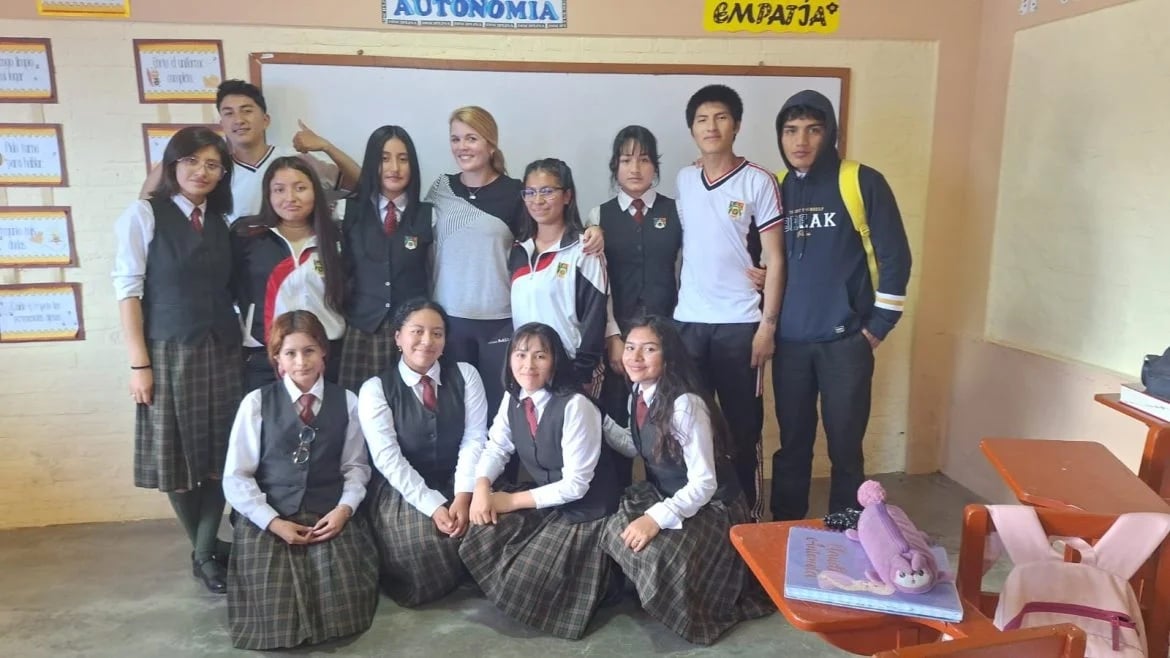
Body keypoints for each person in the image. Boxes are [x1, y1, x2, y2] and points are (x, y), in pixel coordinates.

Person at [769, 90, 912, 521]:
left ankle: (850, 531)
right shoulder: (775, 187)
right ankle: (784, 529)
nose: (801, 141)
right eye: (790, 130)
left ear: (830, 132)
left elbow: (896, 257)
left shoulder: (861, 181)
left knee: (846, 448)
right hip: (790, 344)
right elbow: (763, 256)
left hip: (846, 342)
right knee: (792, 445)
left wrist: (878, 327)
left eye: (813, 130)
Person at [113, 126, 241, 594]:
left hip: (222, 350)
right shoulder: (144, 215)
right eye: (191, 161)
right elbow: (128, 292)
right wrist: (139, 364)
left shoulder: (222, 222)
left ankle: (204, 550)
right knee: (176, 460)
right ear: (172, 165)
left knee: (224, 455)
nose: (201, 171)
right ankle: (206, 552)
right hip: (168, 352)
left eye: (212, 164)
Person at [599, 315, 773, 644]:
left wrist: (655, 518)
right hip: (671, 495)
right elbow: (637, 444)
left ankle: (696, 605)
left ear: (669, 356)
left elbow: (705, 484)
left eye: (649, 349)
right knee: (614, 524)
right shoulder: (638, 392)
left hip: (714, 507)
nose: (635, 357)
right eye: (630, 347)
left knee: (656, 552)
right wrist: (600, 422)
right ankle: (660, 593)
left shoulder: (685, 405)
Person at [425, 107, 604, 416]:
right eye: (455, 139)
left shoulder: (515, 192)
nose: (462, 146)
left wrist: (594, 228)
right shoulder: (441, 188)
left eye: (472, 138)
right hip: (449, 320)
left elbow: (552, 227)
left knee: (501, 412)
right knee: (454, 411)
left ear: (491, 143)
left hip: (501, 323)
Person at [222, 310, 377, 650]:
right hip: (272, 511)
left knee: (342, 603)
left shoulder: (347, 402)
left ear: (323, 353)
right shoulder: (256, 403)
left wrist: (344, 510)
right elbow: (236, 476)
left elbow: (355, 467)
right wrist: (272, 522)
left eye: (309, 350)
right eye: (289, 353)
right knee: (272, 605)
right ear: (277, 359)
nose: (301, 362)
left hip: (327, 510)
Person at [459, 323, 620, 640]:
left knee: (529, 579)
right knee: (481, 534)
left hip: (587, 509)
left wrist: (510, 501)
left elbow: (576, 485)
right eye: (520, 355)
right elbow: (497, 447)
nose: (528, 365)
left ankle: (604, 580)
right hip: (547, 500)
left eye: (540, 356)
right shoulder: (514, 398)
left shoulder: (576, 406)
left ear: (555, 361)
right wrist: (481, 487)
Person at [672, 84, 786, 520]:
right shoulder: (685, 179)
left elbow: (775, 258)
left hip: (741, 325)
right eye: (702, 119)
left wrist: (767, 326)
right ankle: (704, 518)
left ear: (736, 125)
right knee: (693, 429)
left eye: (720, 117)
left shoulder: (758, 180)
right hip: (689, 324)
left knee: (742, 429)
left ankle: (748, 519)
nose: (711, 126)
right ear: (692, 129)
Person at [358, 298, 488, 607]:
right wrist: (433, 506)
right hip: (404, 488)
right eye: (417, 331)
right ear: (398, 337)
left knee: (488, 525)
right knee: (421, 544)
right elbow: (389, 459)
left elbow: (474, 439)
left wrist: (463, 496)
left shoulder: (466, 375)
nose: (427, 341)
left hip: (457, 478)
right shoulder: (375, 389)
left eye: (437, 333)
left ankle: (471, 570)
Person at [587, 125, 682, 488]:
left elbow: (688, 270)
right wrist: (612, 335)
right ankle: (622, 503)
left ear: (655, 165)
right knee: (619, 423)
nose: (635, 168)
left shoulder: (676, 211)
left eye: (644, 159)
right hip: (621, 337)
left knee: (665, 425)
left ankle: (665, 501)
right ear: (615, 166)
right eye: (626, 160)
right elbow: (599, 284)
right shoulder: (599, 216)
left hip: (668, 335)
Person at [140, 79, 360, 224]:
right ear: (222, 124)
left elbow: (361, 184)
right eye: (229, 113)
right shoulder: (214, 169)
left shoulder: (293, 161)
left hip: (289, 258)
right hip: (233, 264)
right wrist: (179, 152)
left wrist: (327, 147)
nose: (239, 120)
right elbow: (147, 201)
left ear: (265, 120)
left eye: (246, 111)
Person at [232, 156, 347, 391]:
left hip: (325, 353)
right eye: (279, 190)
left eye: (300, 188)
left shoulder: (337, 237)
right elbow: (231, 287)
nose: (290, 198)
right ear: (268, 195)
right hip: (265, 354)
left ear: (315, 192)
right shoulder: (247, 235)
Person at [338, 125, 433, 393]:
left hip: (413, 333)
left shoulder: (429, 215)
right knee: (360, 407)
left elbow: (434, 273)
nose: (394, 168)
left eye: (403, 159)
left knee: (410, 405)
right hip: (363, 329)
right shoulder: (347, 212)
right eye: (384, 158)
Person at [508, 158, 612, 397]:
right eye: (530, 192)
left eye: (547, 191)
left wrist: (583, 372)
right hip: (528, 371)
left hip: (572, 370)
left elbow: (595, 316)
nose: (537, 200)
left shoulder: (584, 249)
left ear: (567, 196)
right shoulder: (518, 250)